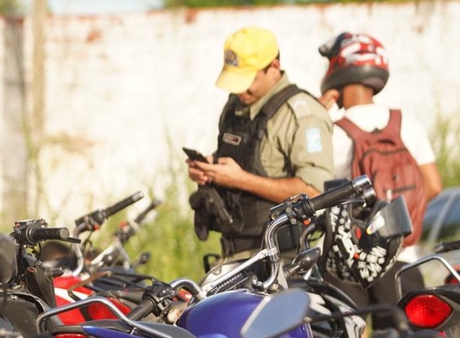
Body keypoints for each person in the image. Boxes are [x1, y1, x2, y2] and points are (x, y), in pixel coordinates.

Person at [188, 27, 334, 262]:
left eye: (248, 80)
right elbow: (242, 156)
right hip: (232, 256)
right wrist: (209, 169)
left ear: (273, 68)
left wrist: (239, 180)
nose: (240, 89)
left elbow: (315, 191)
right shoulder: (235, 105)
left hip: (281, 261)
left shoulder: (303, 115)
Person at [318, 31, 442, 258]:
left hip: (355, 261)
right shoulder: (406, 122)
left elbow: (314, 188)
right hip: (404, 256)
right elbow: (432, 185)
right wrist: (394, 220)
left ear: (339, 69)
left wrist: (313, 118)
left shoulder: (332, 129)